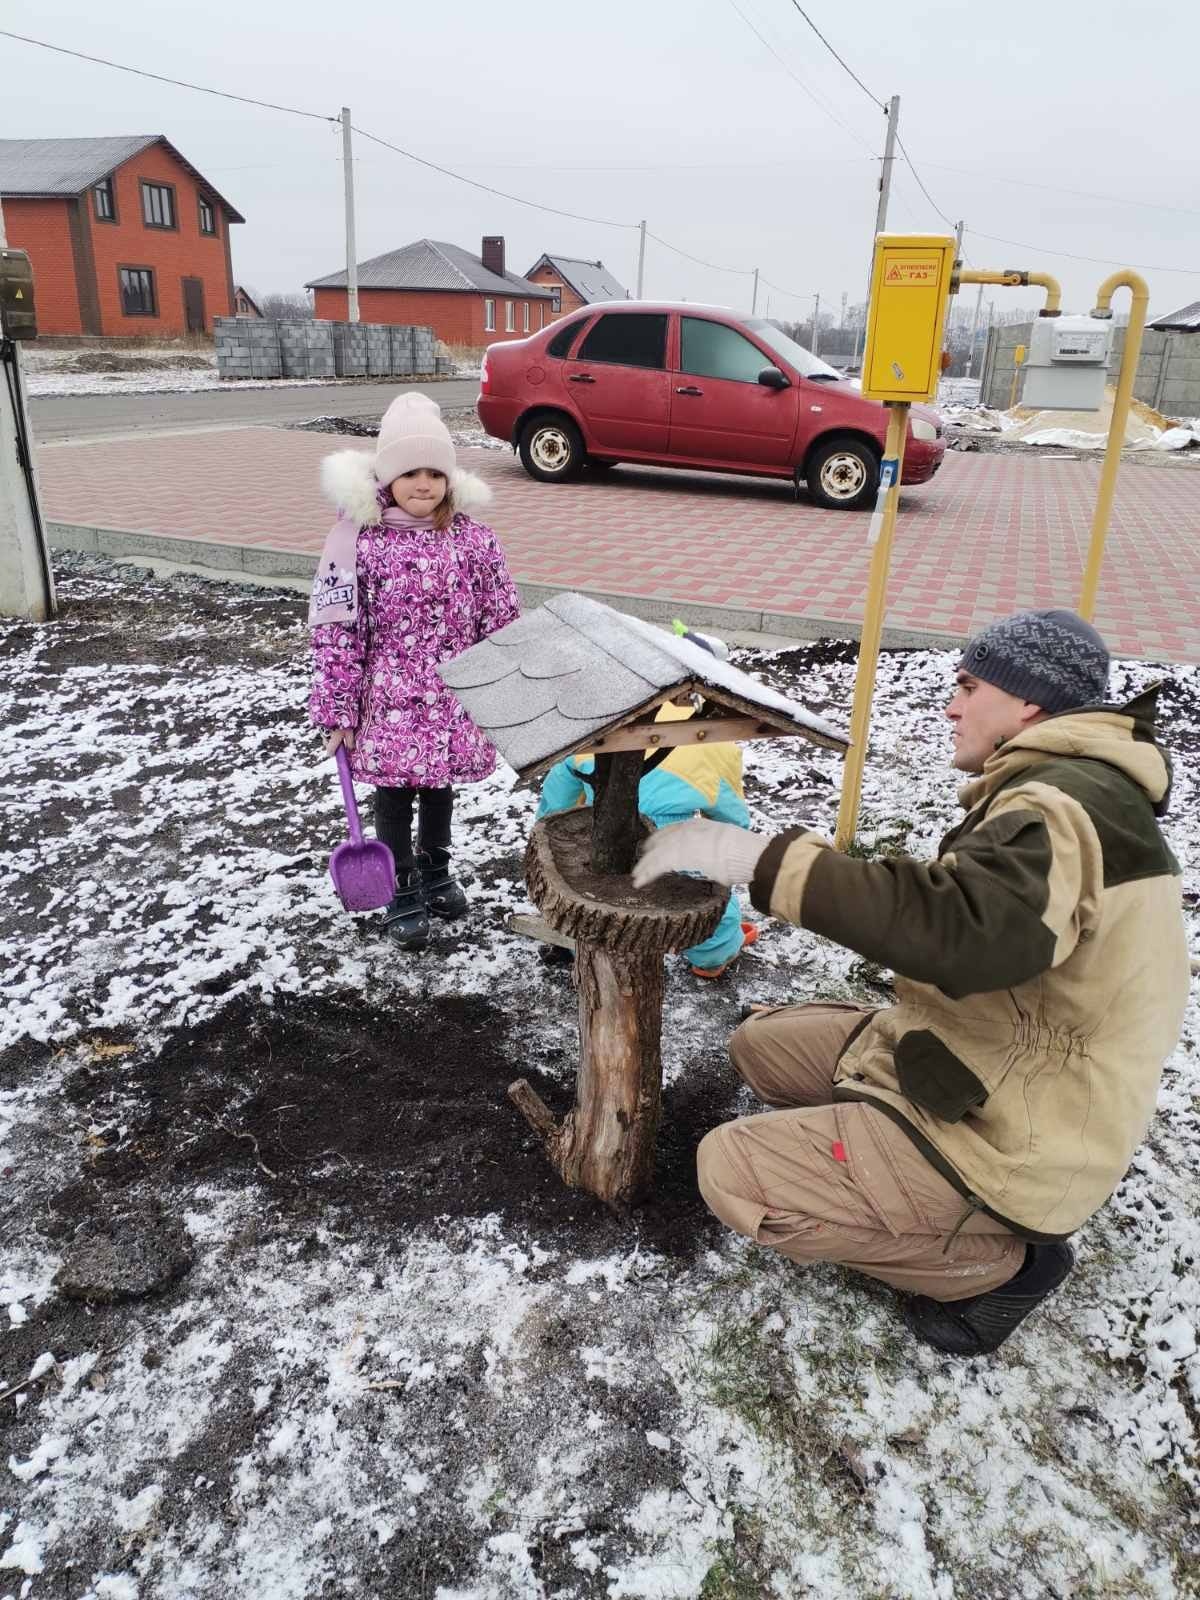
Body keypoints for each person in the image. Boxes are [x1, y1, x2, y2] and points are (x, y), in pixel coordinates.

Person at [633, 609, 1190, 1356]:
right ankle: (881, 1150)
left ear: (1027, 703)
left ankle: (999, 1266)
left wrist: (754, 859)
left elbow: (960, 933)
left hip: (1020, 1131)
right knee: (760, 1046)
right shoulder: (1069, 787)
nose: (951, 705)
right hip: (982, 1056)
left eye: (969, 686)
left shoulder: (1059, 808)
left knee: (730, 1170)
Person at [310, 393, 520, 951]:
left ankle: (436, 870)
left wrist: (506, 685)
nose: (423, 484)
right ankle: (400, 885)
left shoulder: (474, 541)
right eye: (409, 472)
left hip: (452, 698)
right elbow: (338, 631)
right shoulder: (358, 543)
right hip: (390, 698)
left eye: (435, 473)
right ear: (385, 477)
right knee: (396, 794)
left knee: (439, 789)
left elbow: (500, 619)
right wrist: (338, 708)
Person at [537, 688, 758, 979]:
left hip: (604, 829)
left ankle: (587, 950)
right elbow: (730, 817)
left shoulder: (592, 725)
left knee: (596, 892)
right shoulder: (714, 739)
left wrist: (561, 829)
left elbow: (556, 805)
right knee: (703, 889)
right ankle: (713, 956)